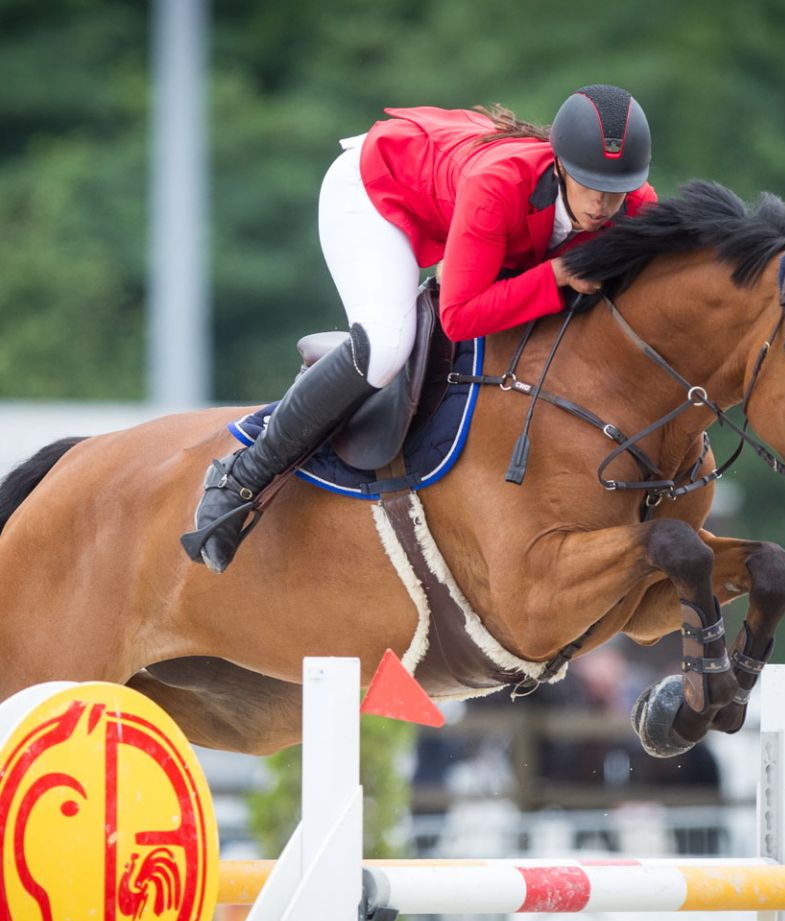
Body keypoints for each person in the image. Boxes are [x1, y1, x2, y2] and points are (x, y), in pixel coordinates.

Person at [184, 84, 657, 573]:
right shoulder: (501, 184)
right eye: (590, 185)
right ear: (559, 166)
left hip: (453, 200)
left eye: (616, 190)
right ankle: (241, 476)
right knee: (387, 346)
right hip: (375, 191)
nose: (603, 205)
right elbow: (461, 315)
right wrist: (554, 276)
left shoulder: (638, 204)